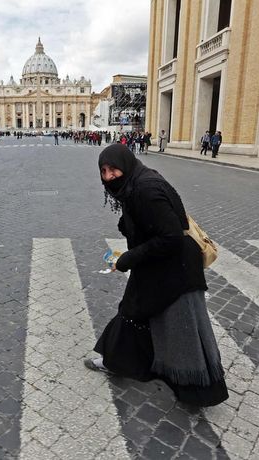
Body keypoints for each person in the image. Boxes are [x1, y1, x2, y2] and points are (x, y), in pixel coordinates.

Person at [85, 143, 228, 407]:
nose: (108, 177)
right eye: (103, 171)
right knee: (134, 311)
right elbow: (156, 221)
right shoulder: (138, 181)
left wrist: (128, 258)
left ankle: (198, 390)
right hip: (162, 264)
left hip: (174, 269)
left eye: (113, 169)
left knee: (181, 326)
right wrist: (128, 224)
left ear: (125, 165)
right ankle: (118, 362)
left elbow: (171, 236)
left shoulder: (145, 189)